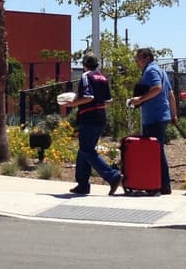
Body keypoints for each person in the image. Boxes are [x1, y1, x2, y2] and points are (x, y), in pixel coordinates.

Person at [60, 53, 122, 195]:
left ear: (84, 64)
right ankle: (83, 184)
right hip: (100, 116)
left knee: (87, 150)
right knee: (83, 150)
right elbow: (109, 101)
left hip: (89, 117)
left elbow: (88, 97)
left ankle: (112, 176)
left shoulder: (86, 76)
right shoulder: (103, 78)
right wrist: (97, 104)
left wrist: (72, 103)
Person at [128, 47, 177, 195]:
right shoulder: (161, 71)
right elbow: (170, 95)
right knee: (157, 150)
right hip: (161, 115)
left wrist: (139, 99)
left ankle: (159, 185)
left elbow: (157, 88)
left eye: (138, 59)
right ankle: (162, 185)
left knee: (154, 152)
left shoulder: (151, 71)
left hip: (154, 117)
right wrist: (173, 114)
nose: (137, 62)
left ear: (147, 58)